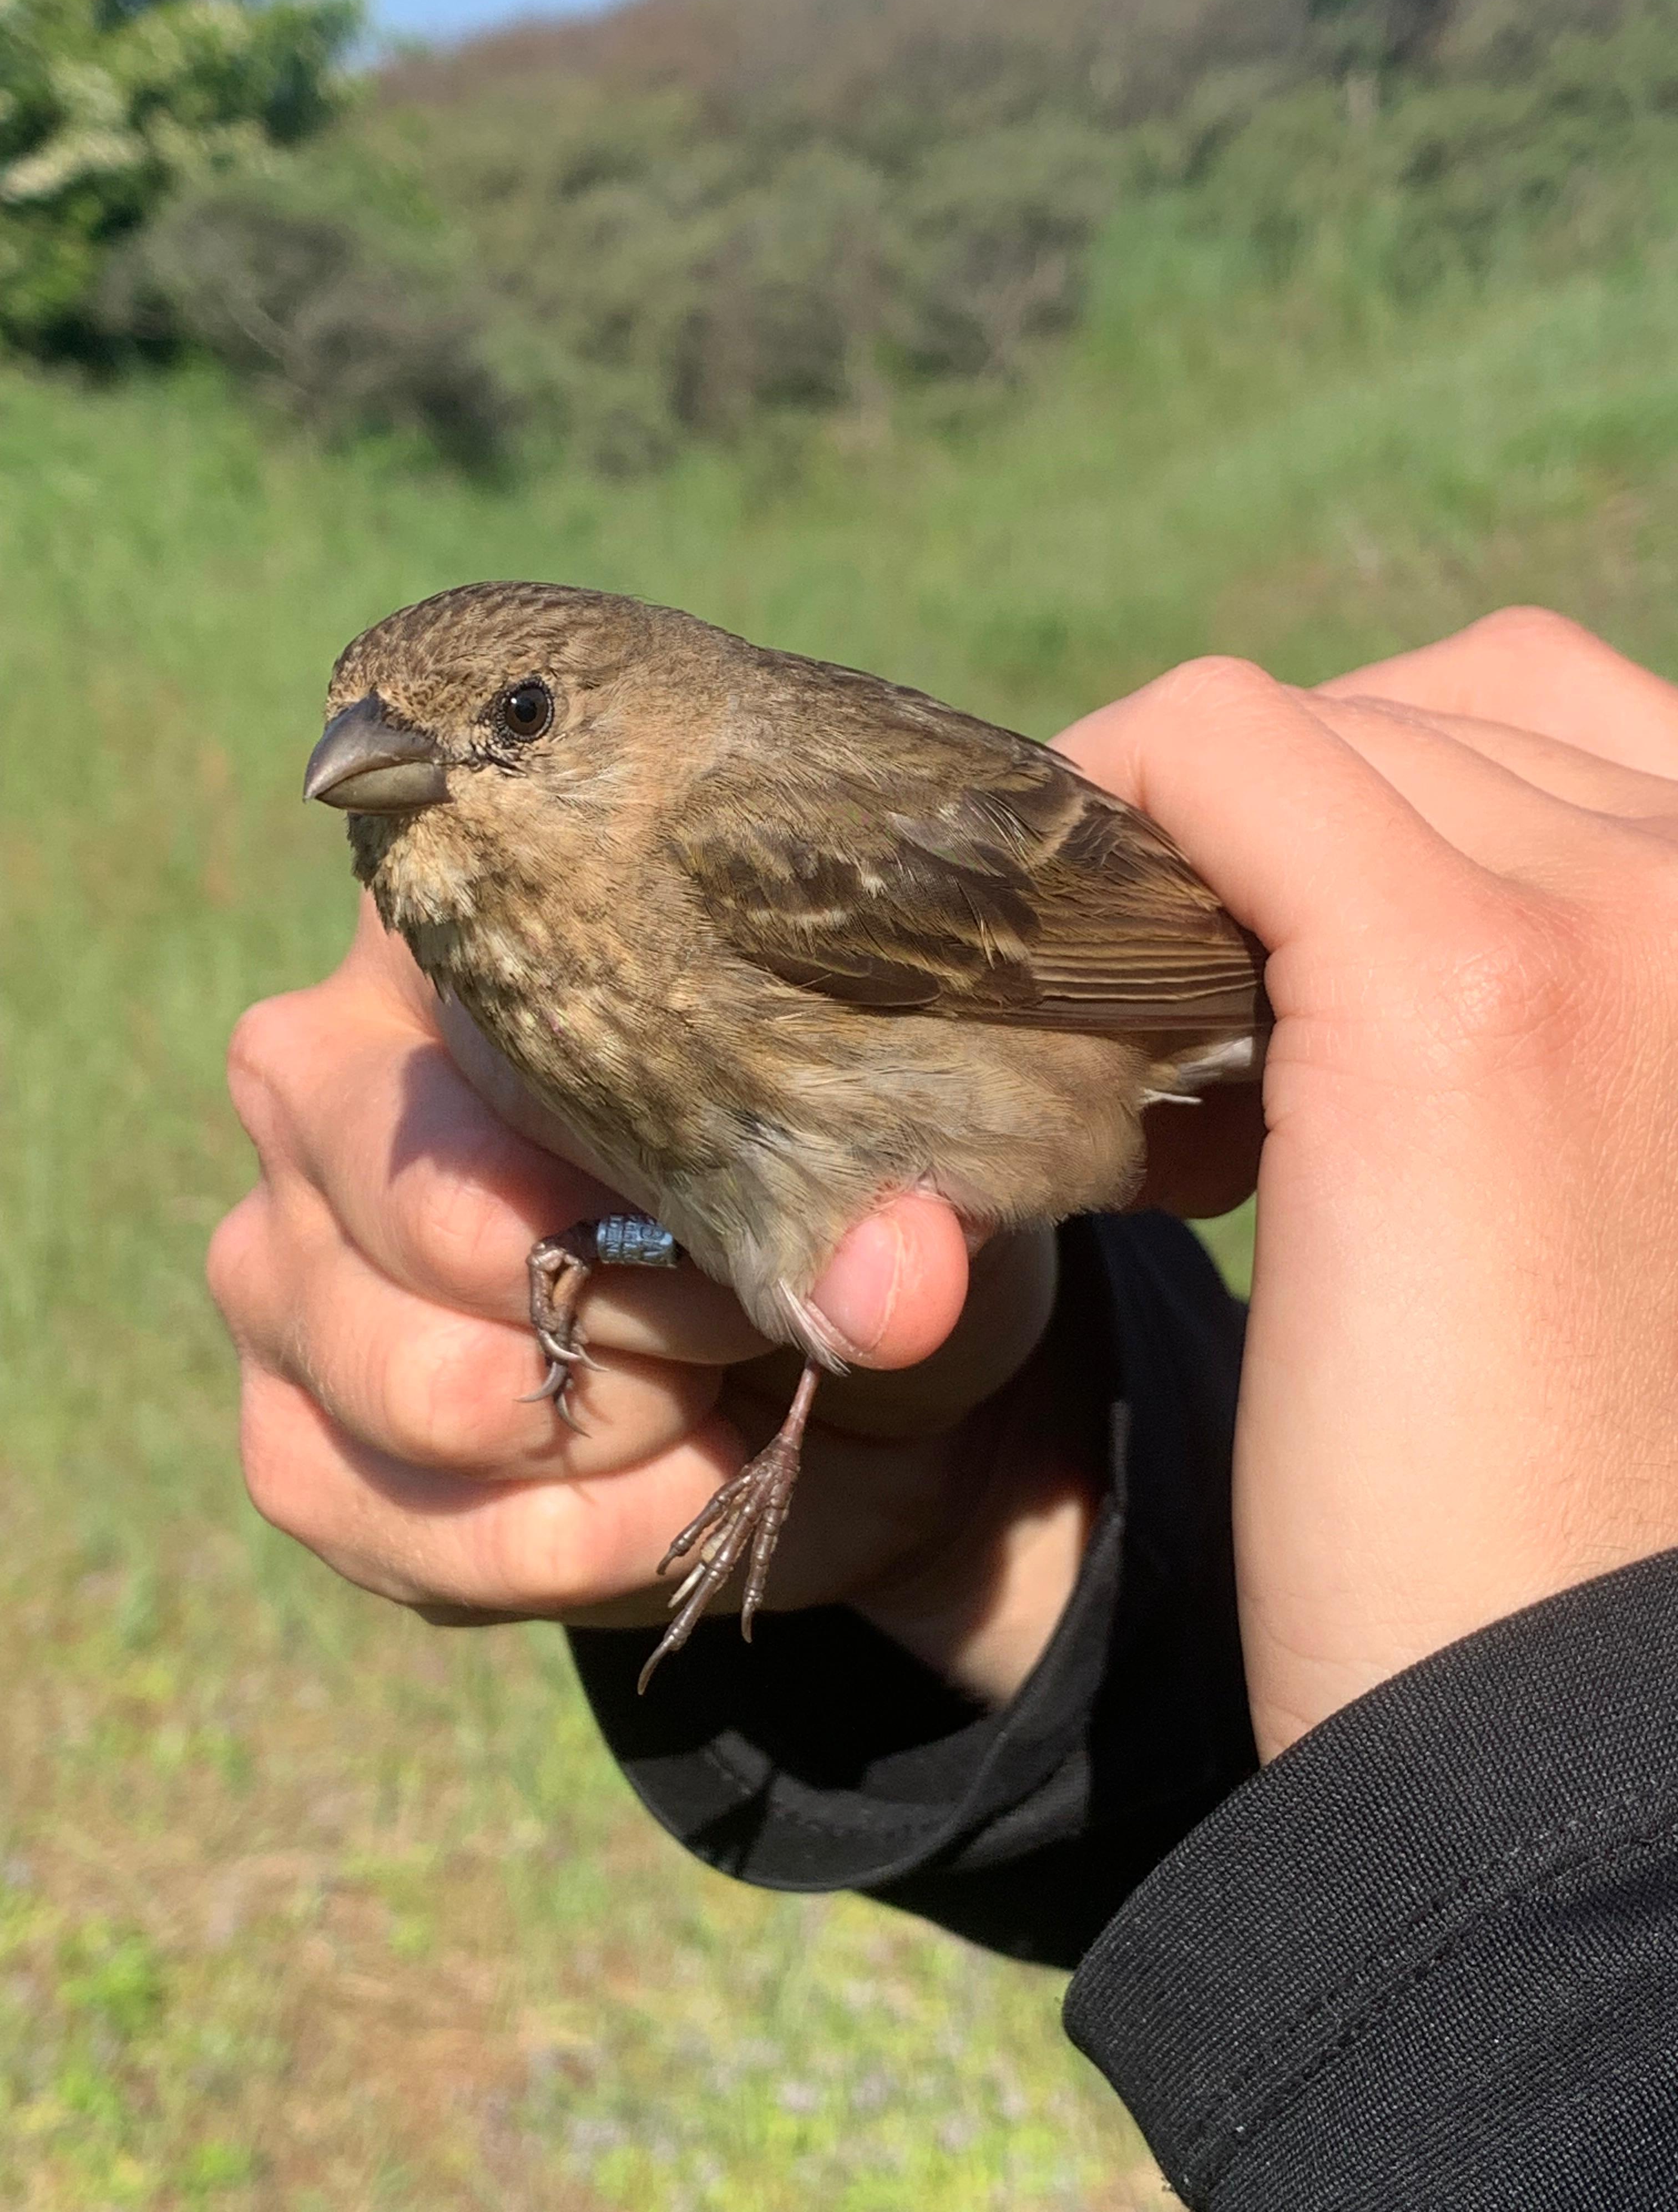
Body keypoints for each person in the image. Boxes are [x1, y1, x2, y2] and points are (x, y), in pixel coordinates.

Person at [208, 608, 1678, 2208]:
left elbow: (1057, 966)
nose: (385, 762)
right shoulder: (513, 923)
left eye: (519, 718)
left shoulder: (741, 832)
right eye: (365, 725)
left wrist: (1545, 1783)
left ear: (622, 710)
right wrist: (997, 1506)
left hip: (1083, 987)